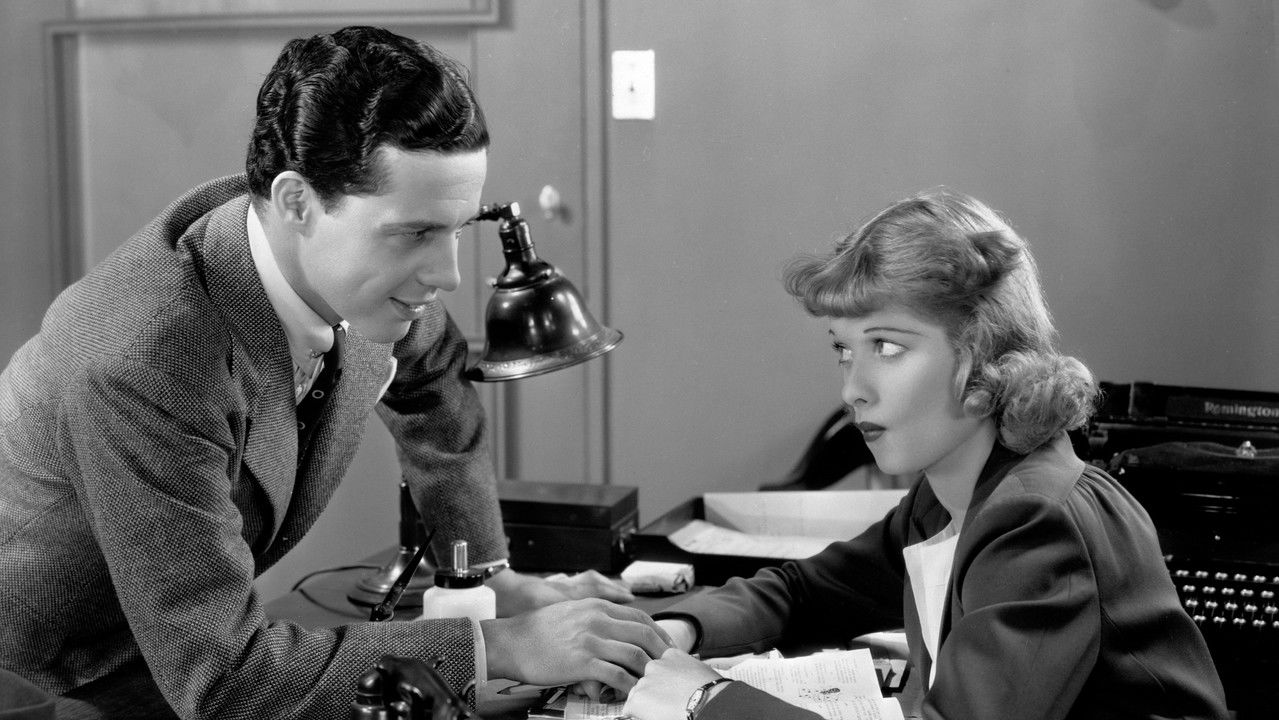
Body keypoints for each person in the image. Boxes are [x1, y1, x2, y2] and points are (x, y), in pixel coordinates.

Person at [0, 26, 668, 719]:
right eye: (416, 233)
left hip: (180, 652)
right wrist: (498, 644)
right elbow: (225, 681)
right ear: (296, 203)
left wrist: (485, 578)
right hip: (46, 680)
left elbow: (434, 379)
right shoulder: (142, 360)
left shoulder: (349, 270)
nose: (447, 275)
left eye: (456, 229)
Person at [623, 189, 1229, 719]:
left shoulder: (1036, 521)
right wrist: (679, 629)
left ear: (982, 353)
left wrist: (704, 699)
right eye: (843, 350)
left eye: (887, 347)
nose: (852, 389)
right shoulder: (948, 498)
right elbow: (805, 590)